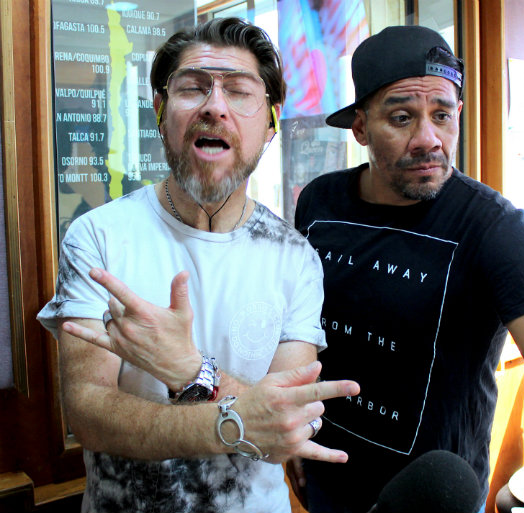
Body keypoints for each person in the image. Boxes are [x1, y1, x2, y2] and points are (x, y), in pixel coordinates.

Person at [292, 25, 524, 513]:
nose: (428, 139)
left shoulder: (493, 228)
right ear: (360, 127)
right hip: (326, 482)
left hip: (434, 500)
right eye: (402, 117)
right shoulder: (320, 202)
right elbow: (300, 325)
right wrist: (294, 420)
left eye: (442, 115)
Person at [37, 18, 359, 513]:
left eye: (239, 91)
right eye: (192, 88)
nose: (214, 106)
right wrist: (234, 415)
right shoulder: (98, 236)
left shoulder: (295, 258)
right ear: (160, 110)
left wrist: (189, 370)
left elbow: (284, 433)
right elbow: (89, 414)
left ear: (271, 123)